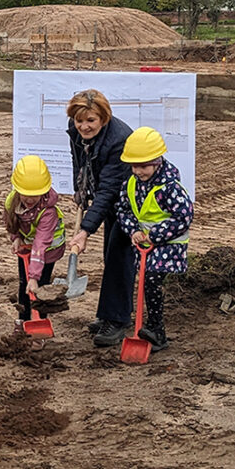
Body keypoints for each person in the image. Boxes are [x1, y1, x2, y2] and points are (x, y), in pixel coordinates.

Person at [64, 89, 136, 348]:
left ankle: (116, 320)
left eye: (90, 121)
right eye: (79, 120)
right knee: (111, 254)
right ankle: (110, 313)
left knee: (118, 254)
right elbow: (79, 160)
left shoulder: (119, 141)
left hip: (130, 200)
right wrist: (79, 189)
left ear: (103, 119)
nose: (84, 126)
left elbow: (108, 192)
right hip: (108, 193)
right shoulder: (75, 131)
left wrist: (84, 231)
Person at [115, 127, 193, 351]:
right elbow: (123, 210)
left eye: (144, 166)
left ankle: (157, 329)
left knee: (152, 280)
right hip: (144, 244)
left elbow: (184, 216)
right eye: (134, 165)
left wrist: (154, 235)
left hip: (170, 245)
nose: (138, 171)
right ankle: (150, 326)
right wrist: (133, 231)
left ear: (158, 161)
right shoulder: (130, 183)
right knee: (145, 282)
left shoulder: (169, 188)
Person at [4, 156, 67, 327]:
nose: (30, 199)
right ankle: (23, 320)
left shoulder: (48, 212)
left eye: (35, 195)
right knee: (24, 283)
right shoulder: (12, 200)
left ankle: (40, 322)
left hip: (48, 250)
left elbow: (41, 243)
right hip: (26, 247)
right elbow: (10, 221)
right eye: (26, 194)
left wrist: (35, 276)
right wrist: (16, 238)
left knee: (41, 287)